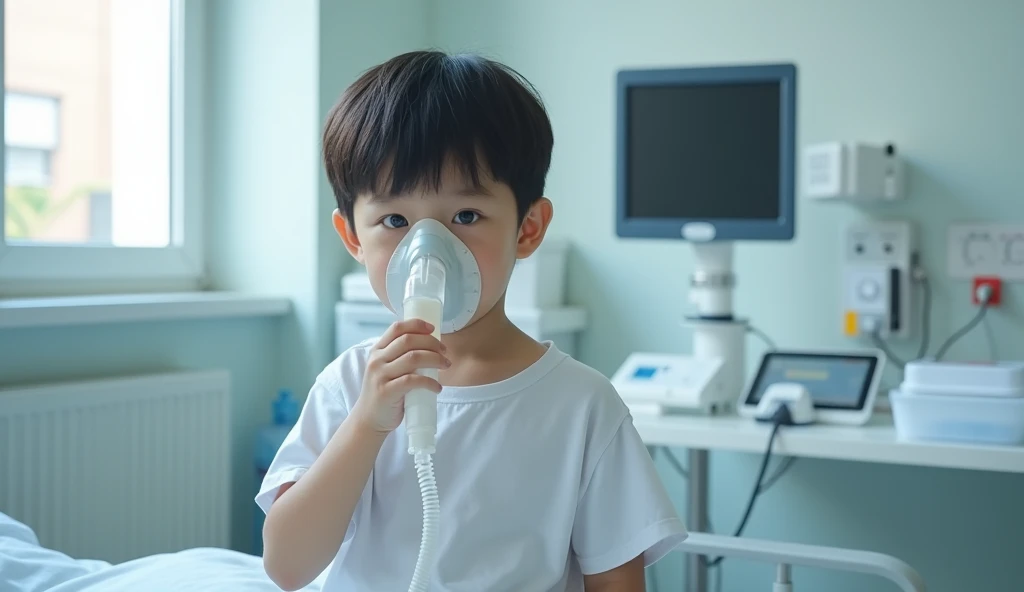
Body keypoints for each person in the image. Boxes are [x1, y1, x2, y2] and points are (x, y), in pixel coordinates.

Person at [256, 50, 687, 592]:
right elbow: (287, 566)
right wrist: (367, 423)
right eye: (394, 220)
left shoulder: (581, 407)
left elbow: (616, 584)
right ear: (353, 239)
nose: (427, 250)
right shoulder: (349, 388)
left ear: (528, 228)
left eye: (466, 216)